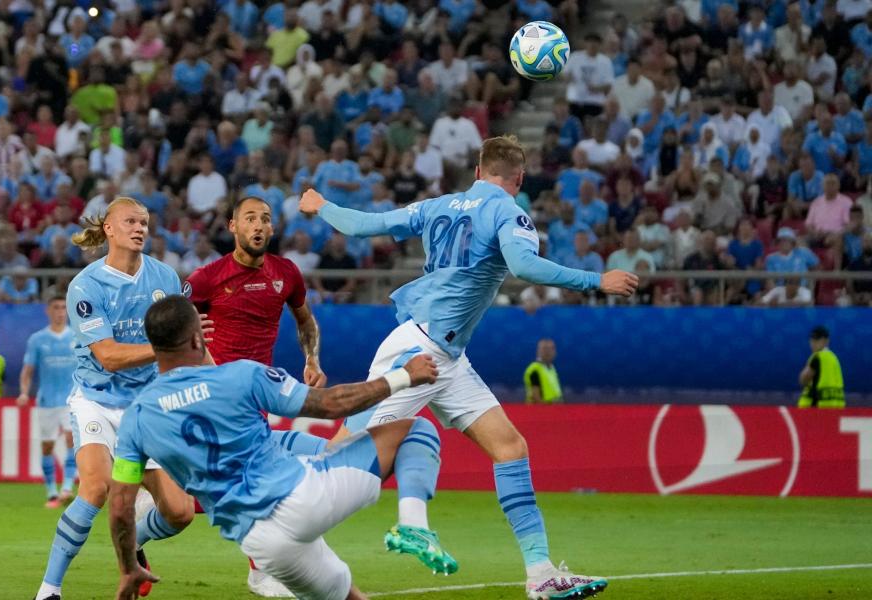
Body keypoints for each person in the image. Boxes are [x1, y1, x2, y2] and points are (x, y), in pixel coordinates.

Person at [299, 135, 636, 599]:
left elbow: (365, 225)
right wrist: (596, 279)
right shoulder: (509, 212)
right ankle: (285, 538)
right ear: (517, 180)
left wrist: (321, 205)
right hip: (417, 352)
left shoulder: (439, 205)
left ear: (478, 171)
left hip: (446, 357)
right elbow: (525, 266)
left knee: (511, 448)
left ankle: (540, 574)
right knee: (343, 456)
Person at [107, 295, 447, 600]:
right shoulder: (241, 376)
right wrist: (403, 377)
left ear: (154, 347)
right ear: (198, 338)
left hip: (262, 544)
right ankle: (413, 524)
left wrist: (127, 568)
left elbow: (121, 506)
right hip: (302, 497)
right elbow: (330, 405)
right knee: (415, 429)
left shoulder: (136, 419)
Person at [33, 197, 213, 600]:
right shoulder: (87, 285)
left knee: (180, 513)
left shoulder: (165, 277)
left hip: (145, 407)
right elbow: (110, 357)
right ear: (109, 230)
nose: (140, 228)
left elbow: (195, 344)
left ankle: (133, 543)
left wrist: (219, 384)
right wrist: (168, 345)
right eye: (131, 221)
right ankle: (48, 590)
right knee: (95, 488)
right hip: (96, 399)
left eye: (145, 222)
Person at [185, 195, 330, 597]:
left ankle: (142, 526)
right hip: (210, 394)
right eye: (250, 218)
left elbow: (306, 321)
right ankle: (262, 570)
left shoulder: (286, 273)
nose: (259, 225)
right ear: (233, 226)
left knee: (198, 498)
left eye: (265, 218)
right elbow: (169, 328)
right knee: (252, 481)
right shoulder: (206, 278)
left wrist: (311, 360)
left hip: (255, 396)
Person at [17, 296, 78, 508]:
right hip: (47, 401)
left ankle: (67, 488)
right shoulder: (37, 339)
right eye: (56, 308)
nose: (60, 311)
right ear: (48, 311)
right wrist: (24, 392)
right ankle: (51, 492)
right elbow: (27, 371)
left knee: (72, 440)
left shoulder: (77, 337)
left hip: (72, 400)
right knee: (47, 446)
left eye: (63, 308)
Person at [797, 326, 845, 408]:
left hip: (818, 406)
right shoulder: (834, 358)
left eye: (817, 340)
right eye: (812, 340)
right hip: (835, 406)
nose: (813, 343)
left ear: (826, 341)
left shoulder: (817, 357)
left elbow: (803, 379)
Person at [523, 339, 562, 404]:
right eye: (545, 349)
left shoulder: (552, 368)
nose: (547, 352)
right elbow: (536, 396)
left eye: (551, 349)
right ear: (538, 351)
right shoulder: (535, 370)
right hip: (541, 410)